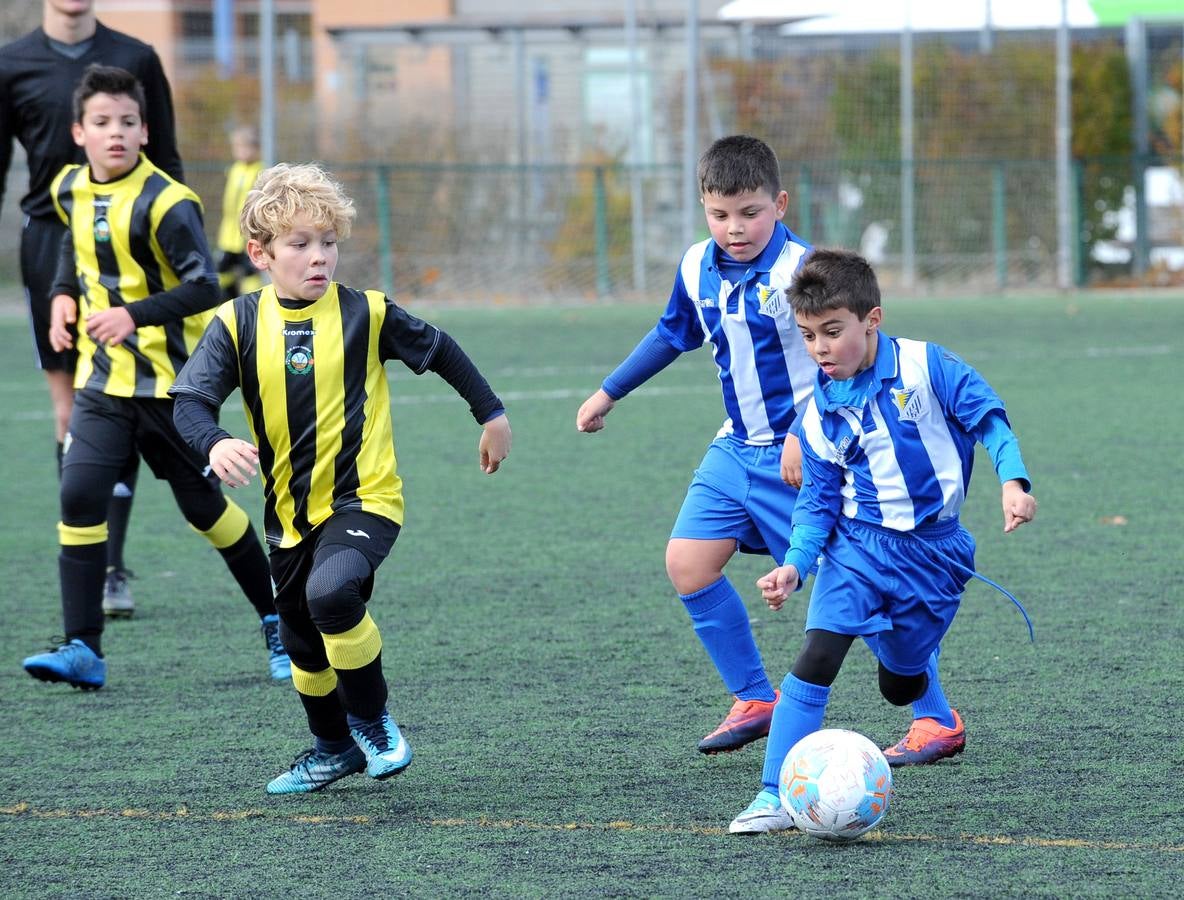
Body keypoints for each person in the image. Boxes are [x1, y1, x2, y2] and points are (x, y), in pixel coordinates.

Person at [575, 135, 963, 760]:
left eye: (750, 212)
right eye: (720, 214)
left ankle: (934, 717)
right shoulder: (696, 264)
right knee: (687, 563)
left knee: (857, 585)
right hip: (734, 449)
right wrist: (609, 391)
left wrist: (799, 434)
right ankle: (756, 698)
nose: (735, 228)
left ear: (779, 205)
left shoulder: (804, 274)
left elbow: (842, 364)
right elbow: (674, 331)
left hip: (811, 456)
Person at [169, 162, 512, 794]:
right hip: (288, 517)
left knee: (332, 596)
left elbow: (442, 351)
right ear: (260, 253)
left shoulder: (369, 314)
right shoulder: (235, 325)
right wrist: (215, 443)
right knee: (301, 639)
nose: (319, 256)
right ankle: (333, 748)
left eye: (328, 242)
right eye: (299, 244)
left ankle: (373, 721)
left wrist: (490, 413)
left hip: (365, 500)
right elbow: (188, 403)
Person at [728, 248, 1037, 833]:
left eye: (833, 332)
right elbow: (817, 501)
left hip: (935, 555)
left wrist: (1013, 481)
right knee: (816, 657)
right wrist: (795, 564)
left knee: (900, 683)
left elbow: (989, 418)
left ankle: (920, 690)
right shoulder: (817, 413)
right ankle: (774, 794)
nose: (820, 348)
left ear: (873, 320)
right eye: (808, 335)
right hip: (857, 549)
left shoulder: (927, 366)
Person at [20, 65, 289, 690]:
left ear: (144, 133)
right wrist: (63, 295)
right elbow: (75, 250)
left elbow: (203, 287)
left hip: (172, 391)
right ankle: (83, 647)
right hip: (101, 385)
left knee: (208, 512)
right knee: (78, 495)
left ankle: (279, 618)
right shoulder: (68, 188)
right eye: (102, 122)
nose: (116, 133)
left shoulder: (169, 202)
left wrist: (129, 315)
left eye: (128, 122)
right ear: (79, 133)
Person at [1, 0, 186, 618]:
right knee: (71, 408)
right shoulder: (12, 63)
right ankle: (91, 557)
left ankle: (112, 570)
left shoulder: (136, 56)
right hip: (51, 247)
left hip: (132, 252)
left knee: (128, 403)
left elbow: (170, 161)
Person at [214, 125, 264, 301]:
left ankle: (253, 307)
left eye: (245, 147)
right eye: (237, 147)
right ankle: (227, 305)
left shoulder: (260, 171)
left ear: (256, 149)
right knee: (222, 272)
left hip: (247, 235)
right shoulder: (234, 170)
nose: (240, 151)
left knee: (250, 273)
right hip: (228, 236)